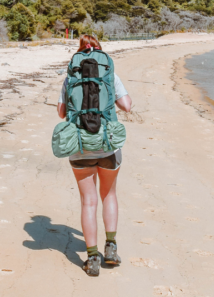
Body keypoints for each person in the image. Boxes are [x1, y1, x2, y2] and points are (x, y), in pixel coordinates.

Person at [57, 34, 132, 277]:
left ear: (80, 53)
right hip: (108, 144)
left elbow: (61, 113)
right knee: (108, 195)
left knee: (88, 202)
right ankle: (110, 248)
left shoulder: (70, 78)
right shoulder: (110, 75)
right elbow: (127, 105)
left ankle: (91, 259)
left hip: (79, 145)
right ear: (101, 54)